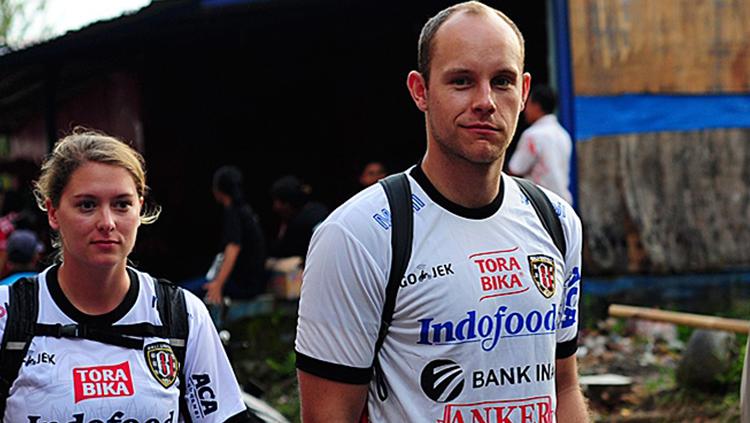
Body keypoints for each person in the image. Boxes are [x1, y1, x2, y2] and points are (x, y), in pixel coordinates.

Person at [294, 2, 588, 422]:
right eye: (462, 81)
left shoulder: (557, 223)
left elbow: (564, 387)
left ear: (523, 93)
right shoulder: (360, 234)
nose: (485, 101)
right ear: (420, 91)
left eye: (502, 81)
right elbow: (329, 415)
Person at [0, 130, 254, 421]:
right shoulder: (9, 316)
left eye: (122, 204)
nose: (107, 222)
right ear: (53, 212)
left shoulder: (182, 315)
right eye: (87, 205)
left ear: (140, 209)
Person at [202, 165, 268, 306]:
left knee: (186, 291)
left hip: (244, 285)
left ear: (218, 189)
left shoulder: (235, 213)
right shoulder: (245, 210)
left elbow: (233, 248)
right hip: (253, 282)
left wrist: (218, 284)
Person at [508, 84, 573, 203]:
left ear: (537, 106)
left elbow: (515, 169)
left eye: (528, 104)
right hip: (563, 203)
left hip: (540, 204)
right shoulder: (563, 134)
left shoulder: (532, 135)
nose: (525, 109)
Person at [268, 175, 328, 260]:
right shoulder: (320, 209)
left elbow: (280, 251)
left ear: (287, 204)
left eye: (277, 201)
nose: (274, 207)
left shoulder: (299, 223)